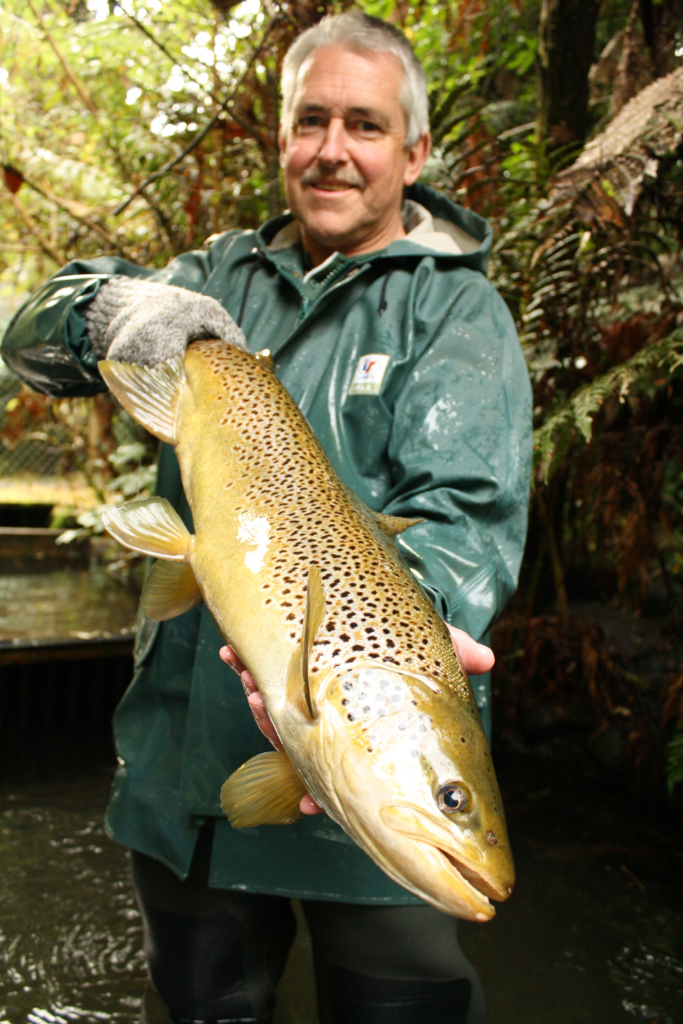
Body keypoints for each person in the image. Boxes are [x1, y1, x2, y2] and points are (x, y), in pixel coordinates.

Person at [1, 11, 532, 1024]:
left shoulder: (455, 313)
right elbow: (23, 339)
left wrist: (394, 633)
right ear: (281, 135)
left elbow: (463, 519)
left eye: (365, 126)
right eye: (311, 120)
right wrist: (109, 311)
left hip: (367, 804)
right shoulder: (208, 280)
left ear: (413, 151)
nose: (333, 150)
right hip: (181, 775)